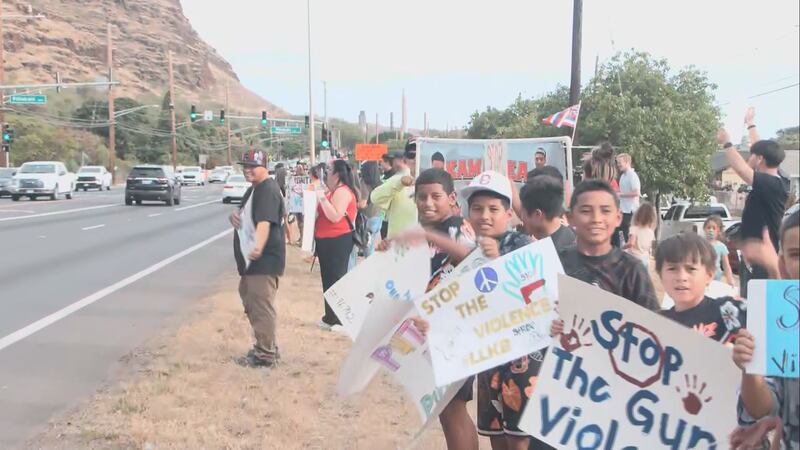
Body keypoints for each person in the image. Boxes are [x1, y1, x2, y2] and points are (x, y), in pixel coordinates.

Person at [388, 168, 479, 450]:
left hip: (455, 330)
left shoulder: (456, 227)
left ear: (452, 198)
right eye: (421, 197)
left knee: (454, 409)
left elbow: (472, 261)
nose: (427, 203)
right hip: (430, 331)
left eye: (435, 196)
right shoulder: (425, 230)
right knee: (446, 410)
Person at [444, 170, 533, 450]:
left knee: (518, 436)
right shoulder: (469, 253)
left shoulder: (521, 245)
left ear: (509, 213)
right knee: (495, 435)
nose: (485, 215)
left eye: (494, 209)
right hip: (486, 359)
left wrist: (500, 262)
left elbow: (533, 293)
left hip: (521, 360)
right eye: (477, 208)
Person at [729, 210, 799, 450]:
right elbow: (760, 407)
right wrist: (751, 366)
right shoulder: (777, 325)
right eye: (796, 254)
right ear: (784, 263)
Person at [556, 180, 658, 310]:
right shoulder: (556, 263)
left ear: (618, 218)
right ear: (570, 218)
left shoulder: (632, 271)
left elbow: (652, 326)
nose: (596, 219)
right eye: (586, 211)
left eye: (605, 211)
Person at [719, 107, 787, 296]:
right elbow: (761, 146)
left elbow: (741, 170)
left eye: (752, 156)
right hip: (754, 255)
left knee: (757, 304)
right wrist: (750, 123)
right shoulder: (776, 178)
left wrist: (726, 143)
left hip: (763, 257)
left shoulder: (771, 184)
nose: (748, 159)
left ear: (760, 160)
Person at [229, 150, 286, 368]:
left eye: (252, 166)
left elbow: (265, 222)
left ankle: (265, 355)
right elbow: (243, 213)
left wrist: (258, 247)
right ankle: (267, 345)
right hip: (252, 262)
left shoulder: (268, 190)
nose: (247, 169)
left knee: (261, 306)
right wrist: (234, 216)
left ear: (264, 166)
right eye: (245, 165)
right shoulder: (255, 189)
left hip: (263, 260)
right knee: (251, 301)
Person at [655, 233, 746, 344]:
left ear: (709, 275)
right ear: (660, 276)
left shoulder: (728, 310)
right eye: (672, 268)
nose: (681, 277)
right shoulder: (658, 323)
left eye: (691, 269)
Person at [314, 159, 358, 331]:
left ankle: (341, 320)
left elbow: (335, 216)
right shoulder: (333, 191)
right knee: (328, 279)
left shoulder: (342, 192)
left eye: (329, 169)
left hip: (338, 239)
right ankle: (330, 317)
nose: (326, 172)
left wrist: (322, 198)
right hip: (325, 240)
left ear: (337, 174)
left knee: (337, 279)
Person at [371, 144, 418, 238]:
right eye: (411, 155)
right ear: (405, 159)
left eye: (420, 154)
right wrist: (400, 183)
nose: (416, 158)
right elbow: (375, 198)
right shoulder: (397, 179)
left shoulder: (438, 180)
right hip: (401, 245)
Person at [519, 175, 575, 248]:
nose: (522, 218)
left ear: (537, 214)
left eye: (523, 212)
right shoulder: (572, 236)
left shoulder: (549, 253)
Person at [358, 161, 383, 257]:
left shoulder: (364, 183)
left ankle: (371, 269)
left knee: (367, 248)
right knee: (371, 245)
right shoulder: (380, 183)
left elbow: (363, 204)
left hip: (367, 217)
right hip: (378, 216)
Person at [703, 215, 735, 287]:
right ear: (704, 229)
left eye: (714, 228)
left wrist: (730, 280)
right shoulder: (700, 244)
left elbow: (726, 266)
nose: (710, 230)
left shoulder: (721, 247)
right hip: (702, 279)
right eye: (708, 227)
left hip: (716, 280)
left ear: (719, 231)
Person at [616, 153, 641, 242]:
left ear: (627, 162)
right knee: (623, 236)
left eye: (620, 162)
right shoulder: (623, 176)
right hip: (623, 210)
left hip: (631, 211)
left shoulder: (632, 176)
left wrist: (621, 194)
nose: (618, 165)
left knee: (630, 237)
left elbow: (637, 192)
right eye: (617, 163)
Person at [625, 202, 657, 268]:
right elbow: (652, 247)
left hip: (634, 259)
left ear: (637, 215)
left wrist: (623, 246)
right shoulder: (651, 232)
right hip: (645, 259)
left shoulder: (634, 228)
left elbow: (631, 243)